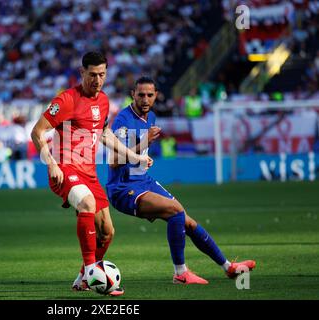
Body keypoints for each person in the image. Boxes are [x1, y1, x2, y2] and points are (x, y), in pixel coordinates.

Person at [106, 76, 256, 284]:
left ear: (156, 95)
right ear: (133, 95)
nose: (145, 99)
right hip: (123, 188)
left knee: (188, 222)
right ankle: (180, 273)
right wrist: (144, 142)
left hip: (144, 181)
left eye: (150, 95)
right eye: (141, 95)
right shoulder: (123, 120)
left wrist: (143, 150)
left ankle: (228, 267)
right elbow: (113, 162)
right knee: (175, 211)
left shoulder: (151, 117)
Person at [31, 52, 151, 295]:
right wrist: (51, 163)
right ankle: (91, 271)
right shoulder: (66, 100)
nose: (98, 80)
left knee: (107, 232)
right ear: (82, 72)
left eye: (102, 75)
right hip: (65, 169)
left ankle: (83, 280)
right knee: (86, 203)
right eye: (93, 74)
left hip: (89, 173)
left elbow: (105, 134)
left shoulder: (104, 100)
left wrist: (134, 156)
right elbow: (37, 131)